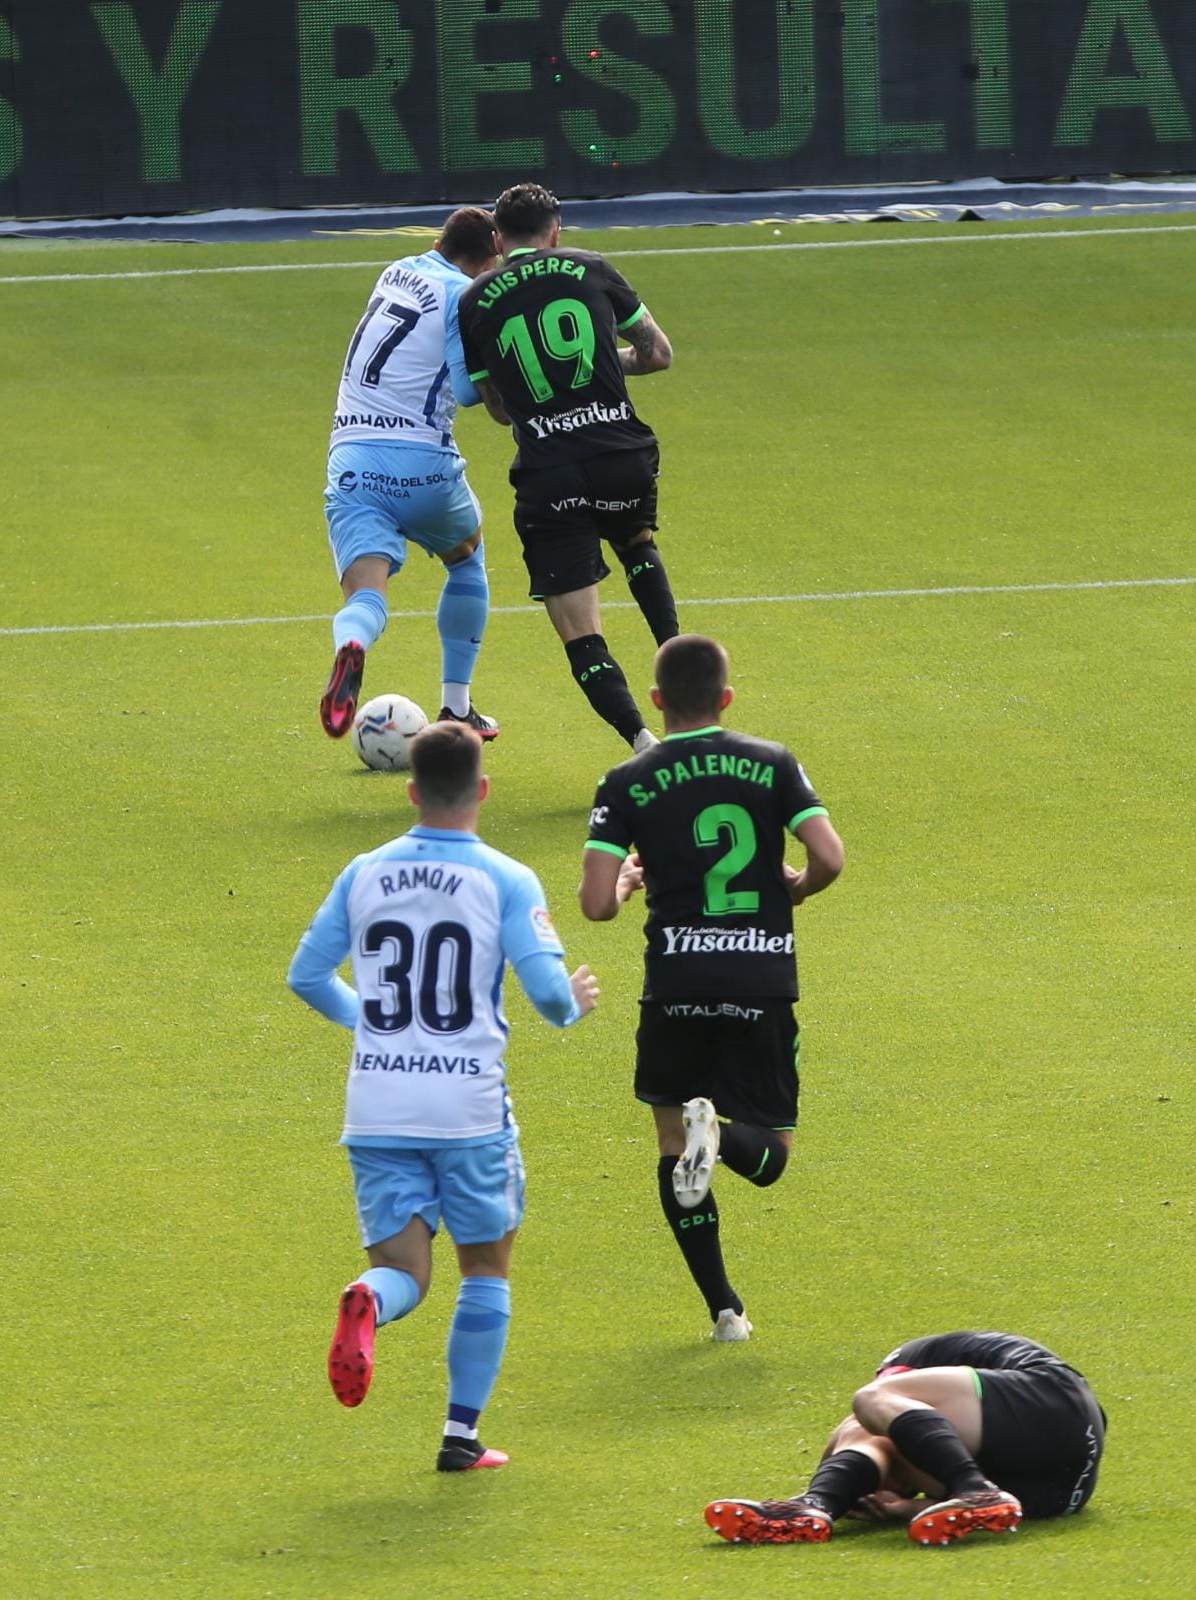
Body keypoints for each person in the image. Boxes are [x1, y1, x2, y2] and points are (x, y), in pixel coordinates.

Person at [286, 721, 599, 1471]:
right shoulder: (506, 877)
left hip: (378, 1104)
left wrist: (369, 1021)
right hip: (467, 1110)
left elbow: (305, 975)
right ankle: (460, 1436)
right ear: (482, 790)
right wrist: (578, 1000)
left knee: (405, 1272)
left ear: (410, 790)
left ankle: (369, 1298)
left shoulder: (362, 870)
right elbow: (551, 1001)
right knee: (484, 1270)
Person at [578, 634, 844, 1338]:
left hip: (674, 983)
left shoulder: (625, 780)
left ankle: (724, 1308)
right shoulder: (772, 763)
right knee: (771, 1154)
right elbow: (828, 856)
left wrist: (630, 883)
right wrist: (800, 888)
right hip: (758, 978)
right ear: (725, 699)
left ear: (657, 700)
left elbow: (597, 903)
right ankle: (721, 1139)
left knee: (671, 1144)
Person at [458, 182, 678, 753]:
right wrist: (611, 359)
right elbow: (657, 355)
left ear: (499, 240)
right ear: (556, 231)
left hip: (548, 473)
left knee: (581, 633)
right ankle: (684, 690)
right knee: (636, 545)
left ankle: (641, 741)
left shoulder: (474, 301)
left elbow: (501, 412)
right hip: (619, 457)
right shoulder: (593, 268)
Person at [319, 207, 503, 742]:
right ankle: (457, 708)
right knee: (468, 562)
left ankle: (352, 646)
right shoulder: (463, 295)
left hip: (352, 458)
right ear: (487, 257)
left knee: (366, 599)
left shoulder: (395, 270)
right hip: (422, 463)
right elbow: (469, 392)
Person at [704, 1330, 1107, 1546]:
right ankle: (816, 1510)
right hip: (1063, 1490)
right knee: (895, 1434)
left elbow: (866, 1422)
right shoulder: (943, 1425)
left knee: (870, 1404)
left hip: (1056, 1397)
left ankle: (818, 1502)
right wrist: (899, 1510)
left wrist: (832, 1482)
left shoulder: (904, 1364)